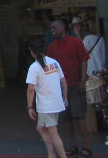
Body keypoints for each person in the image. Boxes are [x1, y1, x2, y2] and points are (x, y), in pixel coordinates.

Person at [47, 20, 91, 158]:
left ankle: (85, 146)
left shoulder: (75, 42)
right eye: (51, 28)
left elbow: (84, 61)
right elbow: (50, 68)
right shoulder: (52, 47)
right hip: (60, 88)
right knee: (67, 118)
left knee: (79, 116)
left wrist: (82, 81)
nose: (52, 29)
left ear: (63, 27)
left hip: (75, 85)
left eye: (55, 27)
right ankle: (73, 145)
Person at [26, 41, 69, 158]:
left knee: (53, 132)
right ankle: (51, 154)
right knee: (41, 127)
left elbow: (31, 89)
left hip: (46, 106)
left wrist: (30, 107)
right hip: (57, 103)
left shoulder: (34, 67)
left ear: (32, 52)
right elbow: (63, 81)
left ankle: (61, 156)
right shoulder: (54, 62)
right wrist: (65, 98)